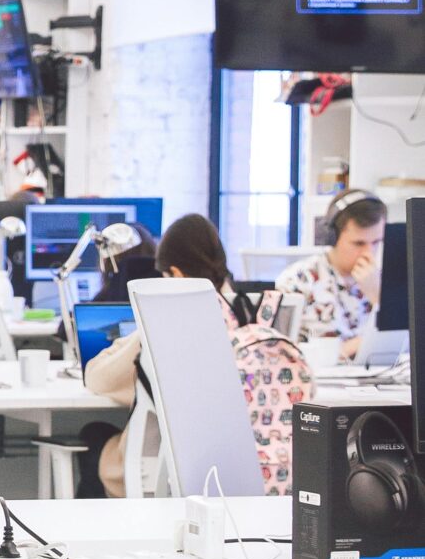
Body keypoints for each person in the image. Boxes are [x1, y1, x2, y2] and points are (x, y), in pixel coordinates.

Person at [81, 212, 308, 497]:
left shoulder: (172, 318)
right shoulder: (269, 313)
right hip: (262, 467)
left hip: (176, 466)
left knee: (93, 435)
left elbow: (99, 379)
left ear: (175, 274)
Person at [274, 190, 386, 357]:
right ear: (332, 237)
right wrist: (350, 348)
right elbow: (279, 352)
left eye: (376, 242)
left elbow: (406, 345)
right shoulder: (297, 281)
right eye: (358, 243)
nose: (368, 253)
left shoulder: (386, 281)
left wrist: (380, 299)